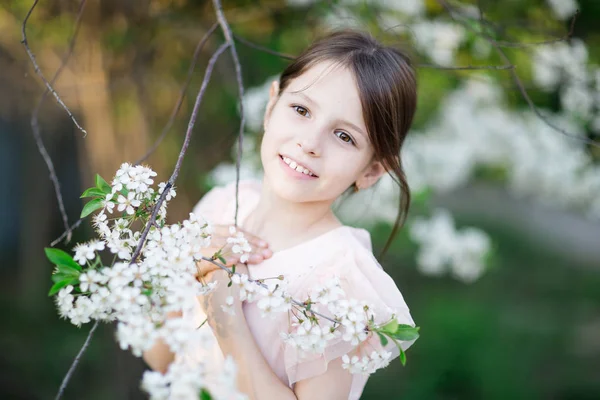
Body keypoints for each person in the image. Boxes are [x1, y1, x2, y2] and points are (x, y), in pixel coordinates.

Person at [143, 28, 418, 400]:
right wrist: (184, 273)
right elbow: (160, 359)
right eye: (302, 110)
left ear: (371, 170)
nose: (309, 143)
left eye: (344, 136)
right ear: (272, 105)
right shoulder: (222, 205)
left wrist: (225, 314)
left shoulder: (338, 283)